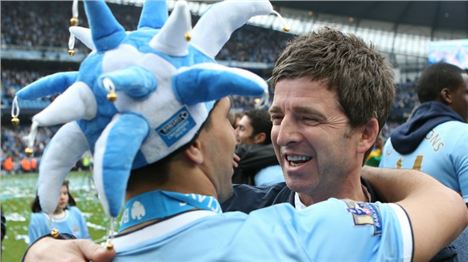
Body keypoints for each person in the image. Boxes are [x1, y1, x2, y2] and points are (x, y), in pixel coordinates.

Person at [24, 22, 467, 261]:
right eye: (276, 116)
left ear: (367, 133)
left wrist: (44, 249)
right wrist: (45, 244)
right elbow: (446, 202)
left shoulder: (434, 252)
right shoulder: (240, 210)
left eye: (308, 118)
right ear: (193, 144)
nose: (283, 134)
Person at [380, 62, 468, 261]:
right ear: (447, 95)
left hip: (399, 251)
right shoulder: (464, 135)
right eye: (467, 92)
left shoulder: (391, 142)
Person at [233, 109, 282, 185]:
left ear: (259, 137)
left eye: (241, 128)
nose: (234, 132)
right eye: (236, 127)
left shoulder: (240, 155)